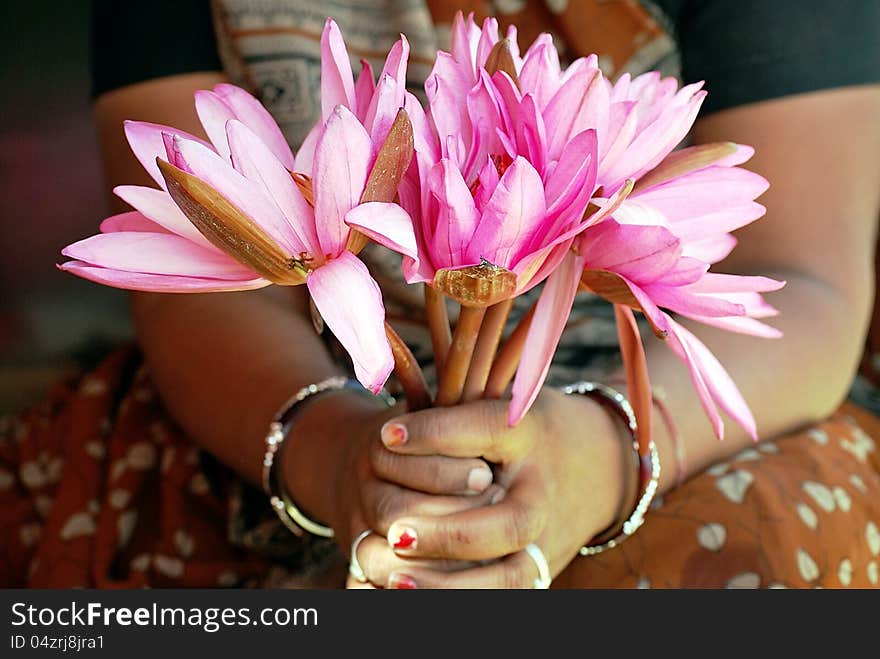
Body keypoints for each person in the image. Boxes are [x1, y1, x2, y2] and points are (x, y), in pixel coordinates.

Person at [3, 0, 878, 588]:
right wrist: (334, 454)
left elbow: (805, 281)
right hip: (279, 403)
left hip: (679, 424)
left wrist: (607, 458)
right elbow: (195, 252)